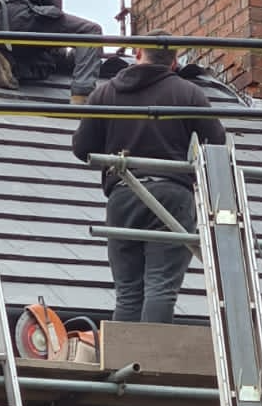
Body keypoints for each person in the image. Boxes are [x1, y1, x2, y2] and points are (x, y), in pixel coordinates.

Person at [71, 39, 226, 325]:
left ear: (137, 53)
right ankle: (153, 361)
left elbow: (83, 149)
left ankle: (126, 358)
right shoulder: (189, 93)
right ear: (174, 63)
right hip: (172, 195)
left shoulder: (104, 94)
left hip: (123, 196)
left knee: (128, 293)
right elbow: (217, 144)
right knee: (160, 287)